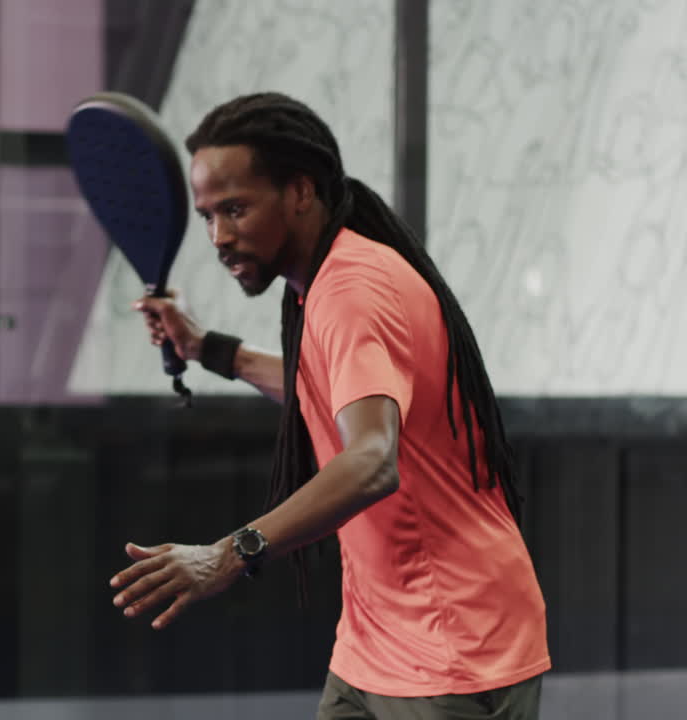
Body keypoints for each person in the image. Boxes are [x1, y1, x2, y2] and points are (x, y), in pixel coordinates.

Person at [108, 92, 550, 719]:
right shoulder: (328, 277)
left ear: (301, 192)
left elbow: (372, 460)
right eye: (208, 215)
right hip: (372, 645)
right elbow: (332, 389)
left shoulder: (350, 289)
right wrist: (209, 349)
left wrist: (227, 556)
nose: (219, 236)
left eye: (236, 209)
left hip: (450, 647)